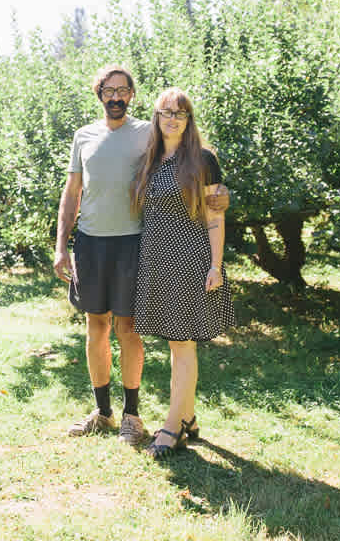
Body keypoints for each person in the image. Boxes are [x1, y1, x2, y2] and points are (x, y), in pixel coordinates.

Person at [54, 66, 227, 444]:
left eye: (123, 90)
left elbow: (192, 159)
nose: (115, 96)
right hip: (91, 243)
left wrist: (221, 195)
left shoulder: (145, 133)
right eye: (108, 90)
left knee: (129, 329)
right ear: (98, 93)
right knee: (95, 327)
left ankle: (133, 416)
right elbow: (72, 192)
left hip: (134, 244)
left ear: (132, 96)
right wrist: (60, 244)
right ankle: (103, 411)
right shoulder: (84, 136)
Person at [131, 87, 234, 459]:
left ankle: (172, 428)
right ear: (156, 118)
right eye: (165, 112)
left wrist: (216, 266)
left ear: (188, 121)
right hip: (157, 262)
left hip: (190, 263)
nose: (172, 119)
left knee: (181, 344)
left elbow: (215, 216)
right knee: (175, 345)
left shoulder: (203, 159)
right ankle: (188, 417)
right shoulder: (151, 159)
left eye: (180, 113)